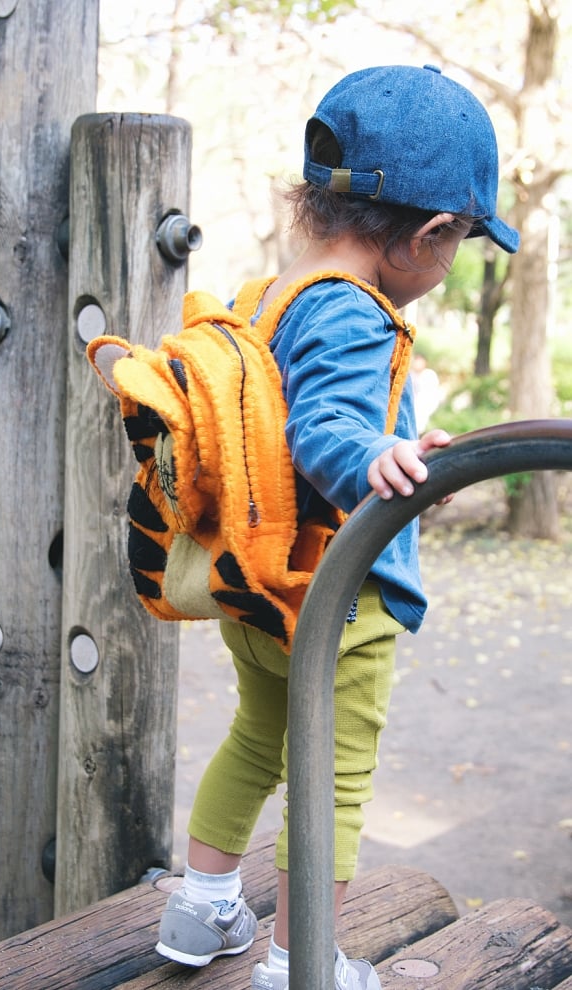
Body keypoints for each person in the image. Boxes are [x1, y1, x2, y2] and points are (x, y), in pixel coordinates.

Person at [154, 64, 519, 990]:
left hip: (262, 582)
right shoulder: (358, 314)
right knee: (336, 777)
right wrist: (371, 460)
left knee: (254, 740)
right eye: (463, 244)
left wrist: (387, 443)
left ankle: (200, 912)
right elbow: (326, 427)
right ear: (429, 236)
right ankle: (299, 958)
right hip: (339, 599)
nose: (453, 262)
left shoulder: (271, 294)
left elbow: (305, 416)